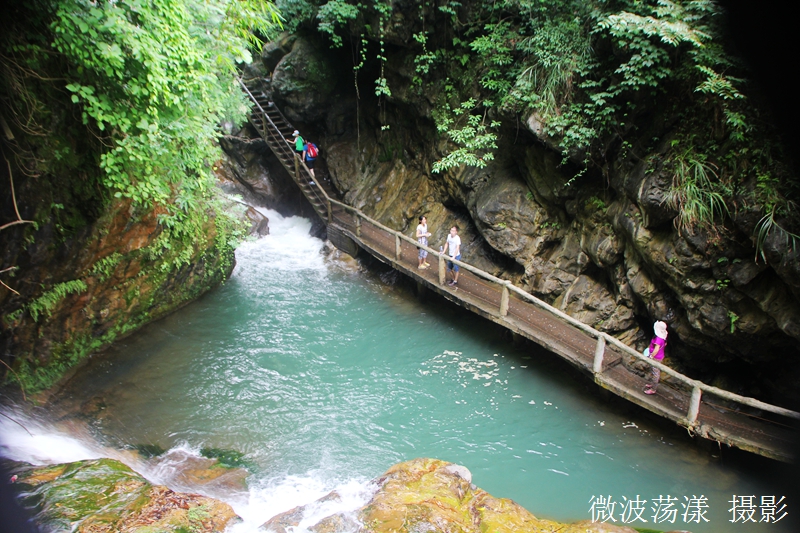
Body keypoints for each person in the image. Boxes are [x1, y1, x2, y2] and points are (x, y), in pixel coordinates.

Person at [643, 320, 668, 395]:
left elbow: (656, 349)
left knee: (655, 372)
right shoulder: (663, 337)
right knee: (652, 370)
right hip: (659, 356)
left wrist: (651, 356)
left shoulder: (658, 339)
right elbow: (665, 344)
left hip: (656, 357)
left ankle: (653, 389)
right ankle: (652, 384)